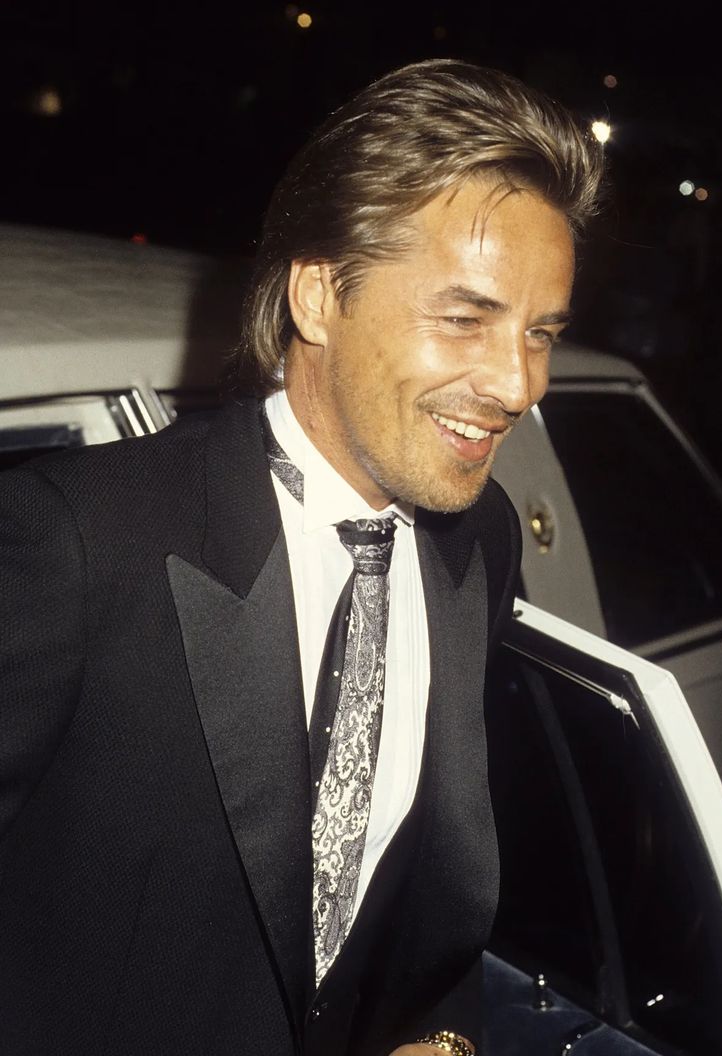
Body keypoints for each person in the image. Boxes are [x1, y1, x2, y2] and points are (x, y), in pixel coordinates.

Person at [0, 59, 602, 1056]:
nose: (517, 382)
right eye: (466, 317)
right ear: (319, 295)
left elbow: (411, 886)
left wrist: (437, 1037)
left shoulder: (480, 538)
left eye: (541, 332)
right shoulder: (71, 545)